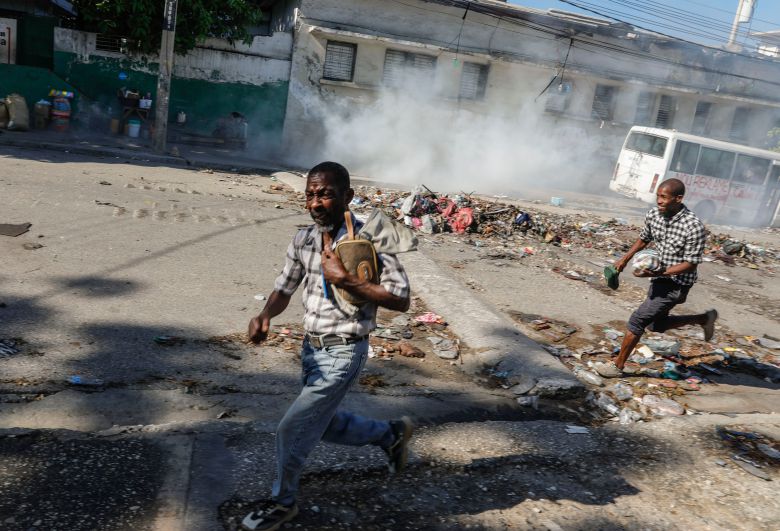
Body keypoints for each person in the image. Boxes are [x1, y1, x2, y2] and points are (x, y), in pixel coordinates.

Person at [241, 162, 413, 531]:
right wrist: (265, 314)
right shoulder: (303, 239)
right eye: (310, 195)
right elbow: (284, 287)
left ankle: (282, 502)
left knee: (292, 428)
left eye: (326, 194)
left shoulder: (373, 238)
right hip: (311, 351)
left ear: (348, 196)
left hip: (345, 350)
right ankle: (392, 435)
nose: (316, 203)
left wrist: (347, 279)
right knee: (323, 424)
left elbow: (401, 299)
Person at [612, 178, 718, 371]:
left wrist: (661, 271)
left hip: (678, 284)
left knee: (637, 320)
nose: (659, 201)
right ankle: (704, 319)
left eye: (664, 197)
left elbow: (691, 264)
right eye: (658, 197)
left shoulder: (693, 227)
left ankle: (617, 367)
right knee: (656, 325)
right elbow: (644, 239)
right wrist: (625, 258)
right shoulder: (654, 214)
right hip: (658, 279)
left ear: (678, 198)